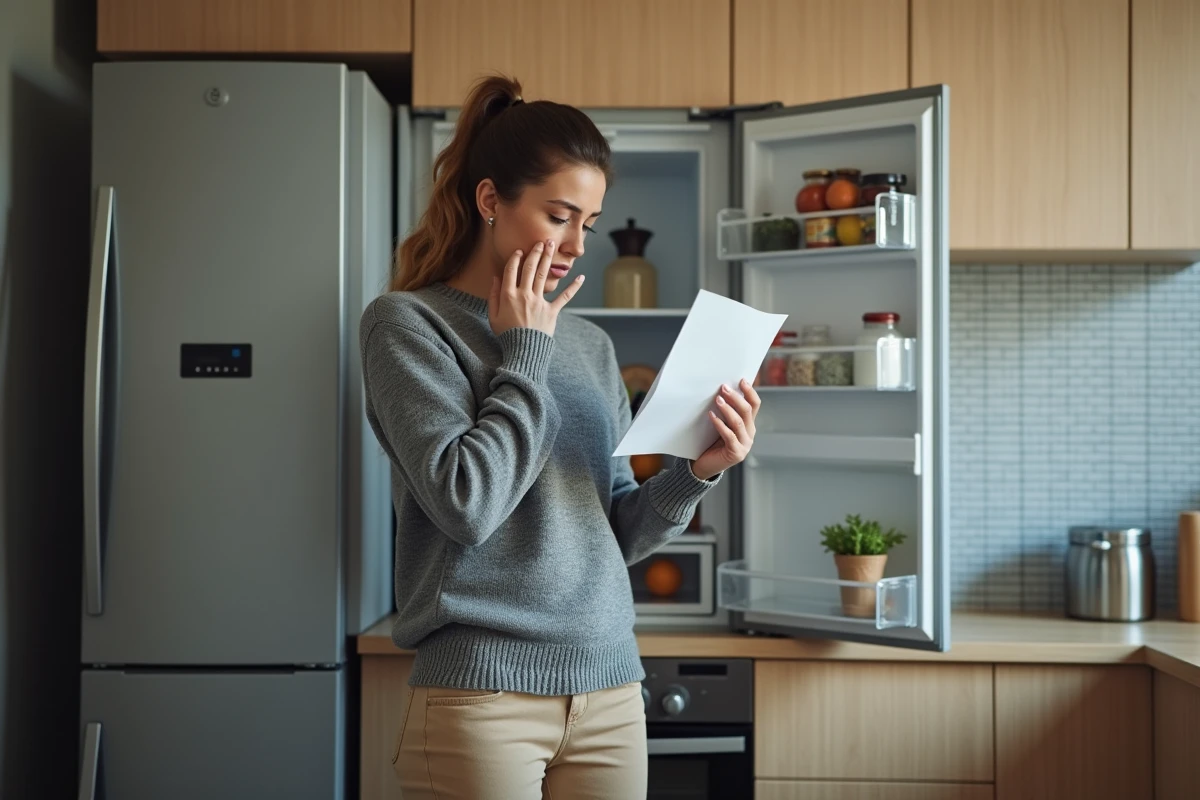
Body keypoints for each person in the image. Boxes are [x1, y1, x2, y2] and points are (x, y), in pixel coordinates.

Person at [358, 74, 761, 800]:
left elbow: (613, 531)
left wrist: (697, 471)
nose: (579, 244)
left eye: (590, 223)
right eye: (559, 215)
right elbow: (466, 504)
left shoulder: (590, 345)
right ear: (490, 201)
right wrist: (523, 353)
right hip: (481, 696)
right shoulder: (406, 326)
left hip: (610, 687)